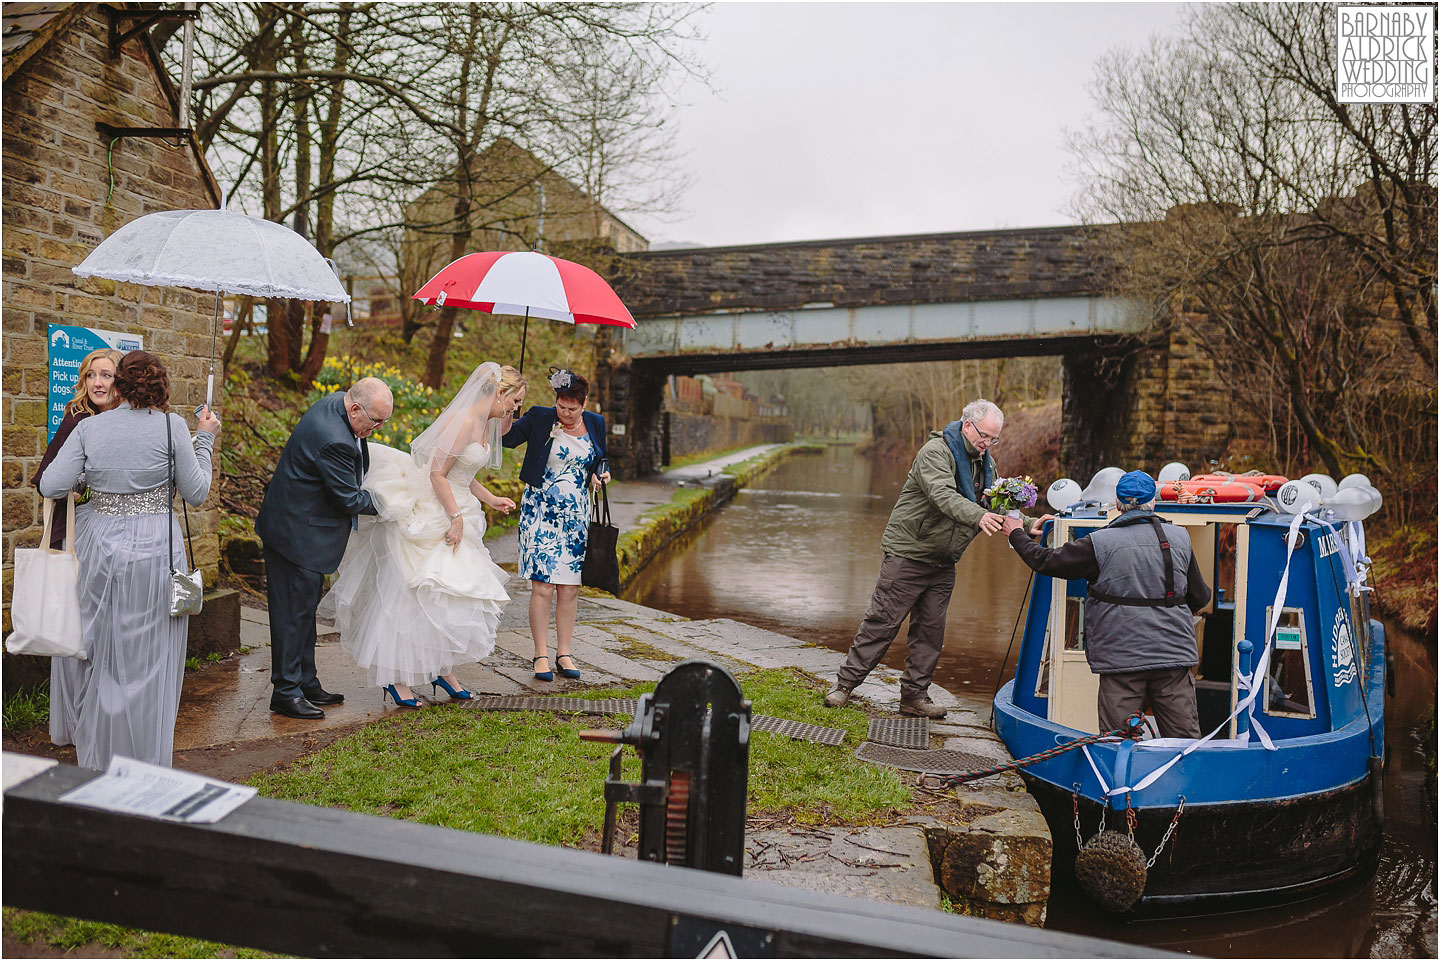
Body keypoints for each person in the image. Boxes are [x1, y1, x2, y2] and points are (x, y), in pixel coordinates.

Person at [39, 350, 219, 769]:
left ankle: (95, 740)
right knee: (148, 653)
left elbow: (51, 483)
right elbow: (196, 492)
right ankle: (140, 749)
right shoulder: (174, 426)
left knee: (98, 643)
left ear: (119, 386)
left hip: (98, 541)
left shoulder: (90, 428)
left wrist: (93, 476)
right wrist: (205, 437)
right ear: (161, 389)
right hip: (155, 545)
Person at [825, 399, 1048, 718]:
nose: (988, 444)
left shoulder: (986, 464)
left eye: (994, 438)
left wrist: (1027, 524)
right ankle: (843, 686)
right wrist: (977, 517)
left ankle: (914, 697)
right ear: (968, 425)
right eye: (985, 436)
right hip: (909, 553)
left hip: (944, 560)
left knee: (930, 632)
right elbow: (943, 496)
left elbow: (995, 505)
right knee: (882, 623)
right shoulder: (935, 453)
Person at [321, 363, 524, 707]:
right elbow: (437, 473)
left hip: (458, 507)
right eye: (514, 401)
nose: (514, 409)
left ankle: (442, 669)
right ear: (499, 393)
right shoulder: (462, 421)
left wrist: (489, 498)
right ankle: (394, 677)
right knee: (415, 595)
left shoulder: (485, 422)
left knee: (450, 596)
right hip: (437, 510)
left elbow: (463, 470)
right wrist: (455, 517)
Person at [1002, 469, 1209, 738]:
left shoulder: (1098, 543)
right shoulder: (1181, 538)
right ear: (1153, 502)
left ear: (1118, 503)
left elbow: (1046, 561)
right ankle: (1181, 779)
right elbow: (1200, 597)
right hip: (1173, 656)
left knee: (1118, 738)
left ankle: (1119, 778)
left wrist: (1016, 534)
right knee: (1183, 740)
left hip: (1121, 658)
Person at [256, 376, 393, 719]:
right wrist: (392, 503)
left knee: (303, 613)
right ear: (356, 407)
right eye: (375, 421)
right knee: (291, 616)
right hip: (295, 535)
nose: (377, 428)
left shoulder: (339, 404)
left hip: (300, 526)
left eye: (384, 422)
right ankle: (285, 692)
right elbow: (348, 497)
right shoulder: (334, 438)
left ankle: (305, 680)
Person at [31, 347, 122, 750]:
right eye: (92, 376)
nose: (98, 384)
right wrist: (84, 480)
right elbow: (45, 478)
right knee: (79, 629)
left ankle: (103, 713)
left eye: (107, 376)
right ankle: (74, 719)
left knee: (108, 630)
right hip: (79, 534)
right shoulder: (78, 419)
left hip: (116, 537)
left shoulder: (125, 421)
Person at [502, 368, 610, 682]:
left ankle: (564, 652)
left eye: (572, 409)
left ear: (584, 404)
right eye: (561, 406)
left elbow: (601, 458)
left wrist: (600, 473)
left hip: (576, 516)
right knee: (543, 586)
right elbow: (508, 439)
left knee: (569, 588)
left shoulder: (596, 423)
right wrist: (512, 411)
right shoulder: (538, 417)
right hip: (540, 512)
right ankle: (540, 654)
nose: (565, 413)